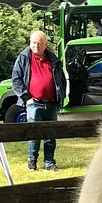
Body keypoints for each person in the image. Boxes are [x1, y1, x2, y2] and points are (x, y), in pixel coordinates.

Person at [12, 30, 67, 171]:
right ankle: (32, 161)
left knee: (50, 134)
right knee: (34, 133)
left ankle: (49, 163)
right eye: (34, 42)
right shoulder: (24, 58)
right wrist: (27, 98)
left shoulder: (53, 59)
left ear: (45, 44)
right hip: (33, 103)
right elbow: (16, 80)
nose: (36, 45)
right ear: (30, 43)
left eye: (39, 43)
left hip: (51, 103)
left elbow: (61, 80)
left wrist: (60, 98)